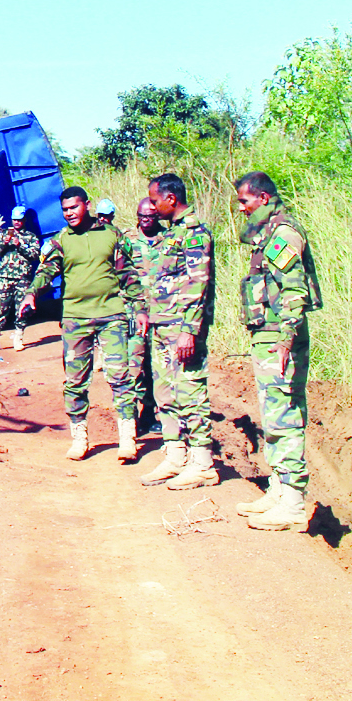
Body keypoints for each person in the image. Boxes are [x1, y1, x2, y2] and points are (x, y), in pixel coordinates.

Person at [28, 185, 150, 463]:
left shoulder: (111, 234)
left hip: (112, 316)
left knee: (121, 377)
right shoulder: (62, 239)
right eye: (65, 210)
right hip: (75, 319)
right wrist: (32, 291)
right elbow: (48, 269)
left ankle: (128, 438)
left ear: (87, 205)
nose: (70, 213)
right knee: (75, 381)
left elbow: (127, 273)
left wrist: (139, 307)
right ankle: (80, 437)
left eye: (74, 207)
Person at [233, 171, 321, 531]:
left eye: (245, 201)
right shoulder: (265, 234)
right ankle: (279, 488)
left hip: (279, 338)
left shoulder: (282, 234)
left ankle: (293, 501)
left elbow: (294, 290)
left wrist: (285, 339)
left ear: (263, 199)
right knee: (273, 413)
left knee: (284, 413)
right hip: (267, 335)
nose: (241, 208)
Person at [138, 172, 220, 489]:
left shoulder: (195, 233)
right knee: (165, 393)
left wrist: (189, 330)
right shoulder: (173, 233)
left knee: (190, 392)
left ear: (171, 199)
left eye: (156, 201)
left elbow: (197, 284)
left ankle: (202, 464)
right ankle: (176, 455)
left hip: (182, 330)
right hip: (163, 327)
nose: (154, 207)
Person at [126, 197, 167, 435]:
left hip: (161, 312)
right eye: (142, 216)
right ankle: (129, 418)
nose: (146, 221)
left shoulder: (168, 239)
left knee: (157, 365)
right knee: (134, 362)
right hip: (134, 312)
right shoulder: (128, 239)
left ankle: (150, 412)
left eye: (151, 216)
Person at [0, 207, 41, 351]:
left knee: (21, 309)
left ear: (24, 220)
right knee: (1, 308)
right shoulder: (4, 233)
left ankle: (19, 337)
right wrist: (4, 242)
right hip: (5, 277)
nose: (17, 223)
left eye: (19, 220)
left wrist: (20, 245)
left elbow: (34, 255)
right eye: (15, 220)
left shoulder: (30, 237)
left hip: (22, 278)